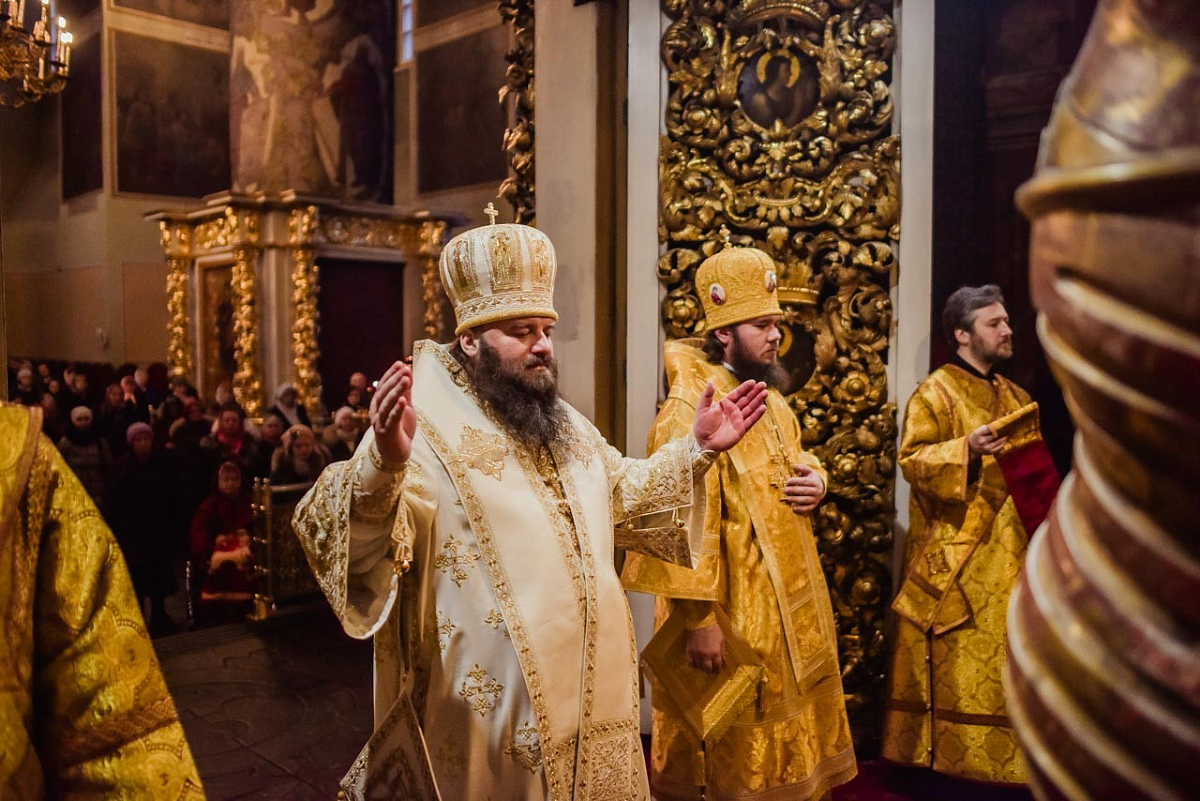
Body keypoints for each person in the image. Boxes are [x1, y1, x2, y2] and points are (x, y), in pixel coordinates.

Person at [292, 219, 769, 798]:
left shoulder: (562, 422)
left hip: (596, 698)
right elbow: (353, 534)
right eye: (521, 332)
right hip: (495, 719)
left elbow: (623, 495)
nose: (542, 344)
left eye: (545, 329)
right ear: (471, 341)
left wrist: (695, 450)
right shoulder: (422, 425)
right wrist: (386, 462)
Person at [622, 244, 856, 800]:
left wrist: (818, 480)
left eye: (776, 323)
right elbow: (677, 519)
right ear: (723, 333)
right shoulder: (689, 410)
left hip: (787, 605)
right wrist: (699, 619)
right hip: (733, 609)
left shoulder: (771, 400)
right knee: (733, 749)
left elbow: (795, 459)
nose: (777, 336)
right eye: (762, 326)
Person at [881, 285, 1050, 786]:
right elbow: (912, 461)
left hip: (1013, 560)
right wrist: (966, 450)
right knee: (956, 666)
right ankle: (946, 772)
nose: (1007, 330)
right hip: (956, 563)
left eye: (1007, 321)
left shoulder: (1018, 398)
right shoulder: (935, 393)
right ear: (961, 334)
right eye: (994, 323)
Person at [0, 403, 204, 797]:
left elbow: (111, 728)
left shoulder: (21, 455)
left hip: (150, 535)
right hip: (133, 530)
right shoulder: (99, 463)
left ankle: (159, 615)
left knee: (155, 587)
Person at [105, 423, 183, 635]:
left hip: (158, 528)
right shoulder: (121, 466)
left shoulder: (162, 463)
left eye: (146, 439)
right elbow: (114, 499)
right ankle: (137, 616)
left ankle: (159, 615)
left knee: (158, 577)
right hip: (133, 531)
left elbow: (172, 493)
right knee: (136, 578)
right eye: (138, 440)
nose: (142, 444)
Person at [189, 461, 255, 626]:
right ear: (218, 482)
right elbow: (199, 534)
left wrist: (249, 542)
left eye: (234, 479)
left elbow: (257, 528)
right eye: (225, 480)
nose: (230, 484)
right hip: (215, 557)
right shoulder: (208, 507)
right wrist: (210, 552)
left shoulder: (249, 503)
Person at [57, 405, 112, 507]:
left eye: (86, 419)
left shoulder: (100, 442)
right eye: (79, 419)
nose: (83, 422)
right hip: (74, 494)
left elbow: (108, 465)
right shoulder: (66, 443)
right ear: (73, 421)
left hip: (98, 495)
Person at [200, 401, 262, 484]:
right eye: (227, 420)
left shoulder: (249, 441)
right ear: (221, 422)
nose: (230, 423)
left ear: (240, 422)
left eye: (234, 420)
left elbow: (253, 466)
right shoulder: (210, 442)